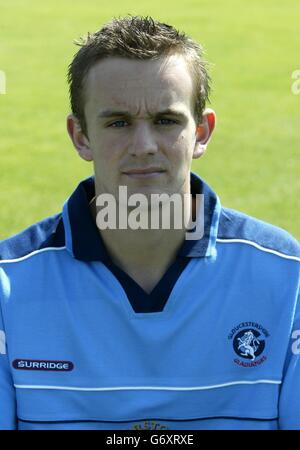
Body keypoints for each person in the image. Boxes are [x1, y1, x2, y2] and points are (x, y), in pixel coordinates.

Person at [0, 15, 299, 431]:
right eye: (118, 122)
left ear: (202, 133)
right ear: (80, 136)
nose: (143, 146)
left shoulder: (287, 278)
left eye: (165, 121)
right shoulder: (7, 286)